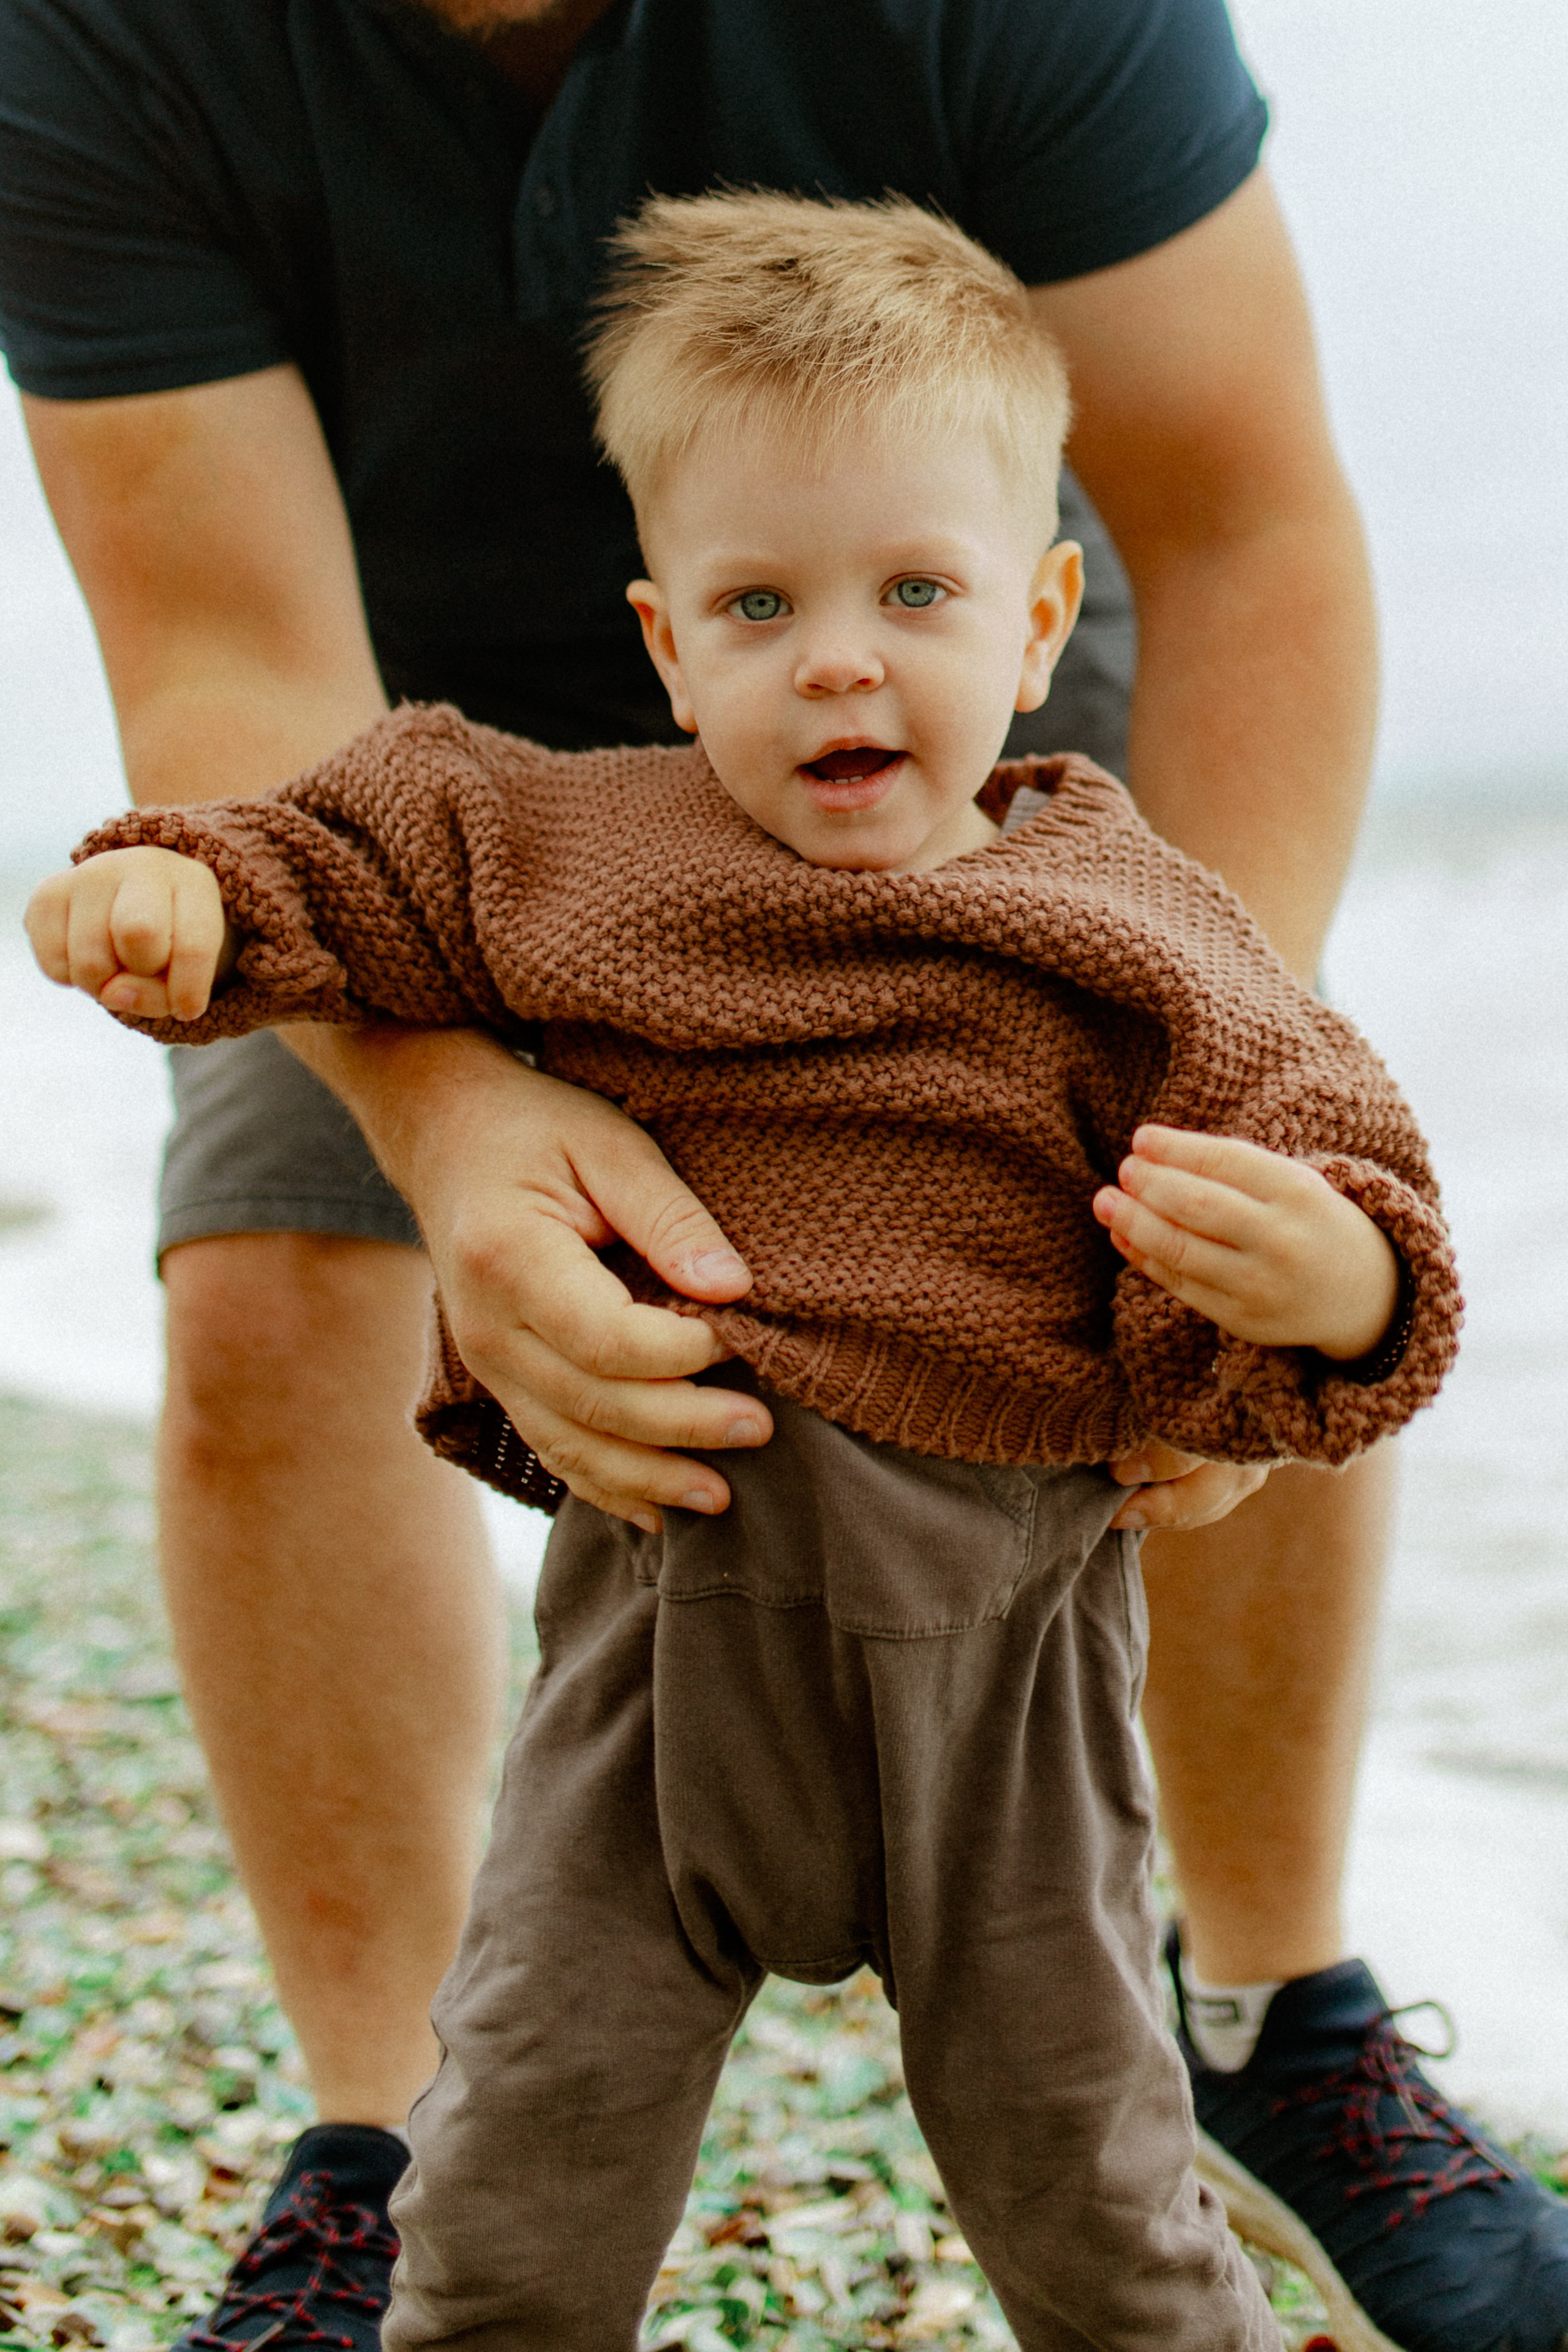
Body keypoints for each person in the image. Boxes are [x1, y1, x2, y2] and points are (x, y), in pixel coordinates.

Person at [4, 1, 1566, 2346]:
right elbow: (229, 650)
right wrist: (428, 1101)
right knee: (261, 1282)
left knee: (1230, 1152)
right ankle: (382, 2161)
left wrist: (1247, 1170)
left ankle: (1278, 2021)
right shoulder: (100, 49)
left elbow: (1243, 512)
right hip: (395, 753)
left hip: (940, 586)